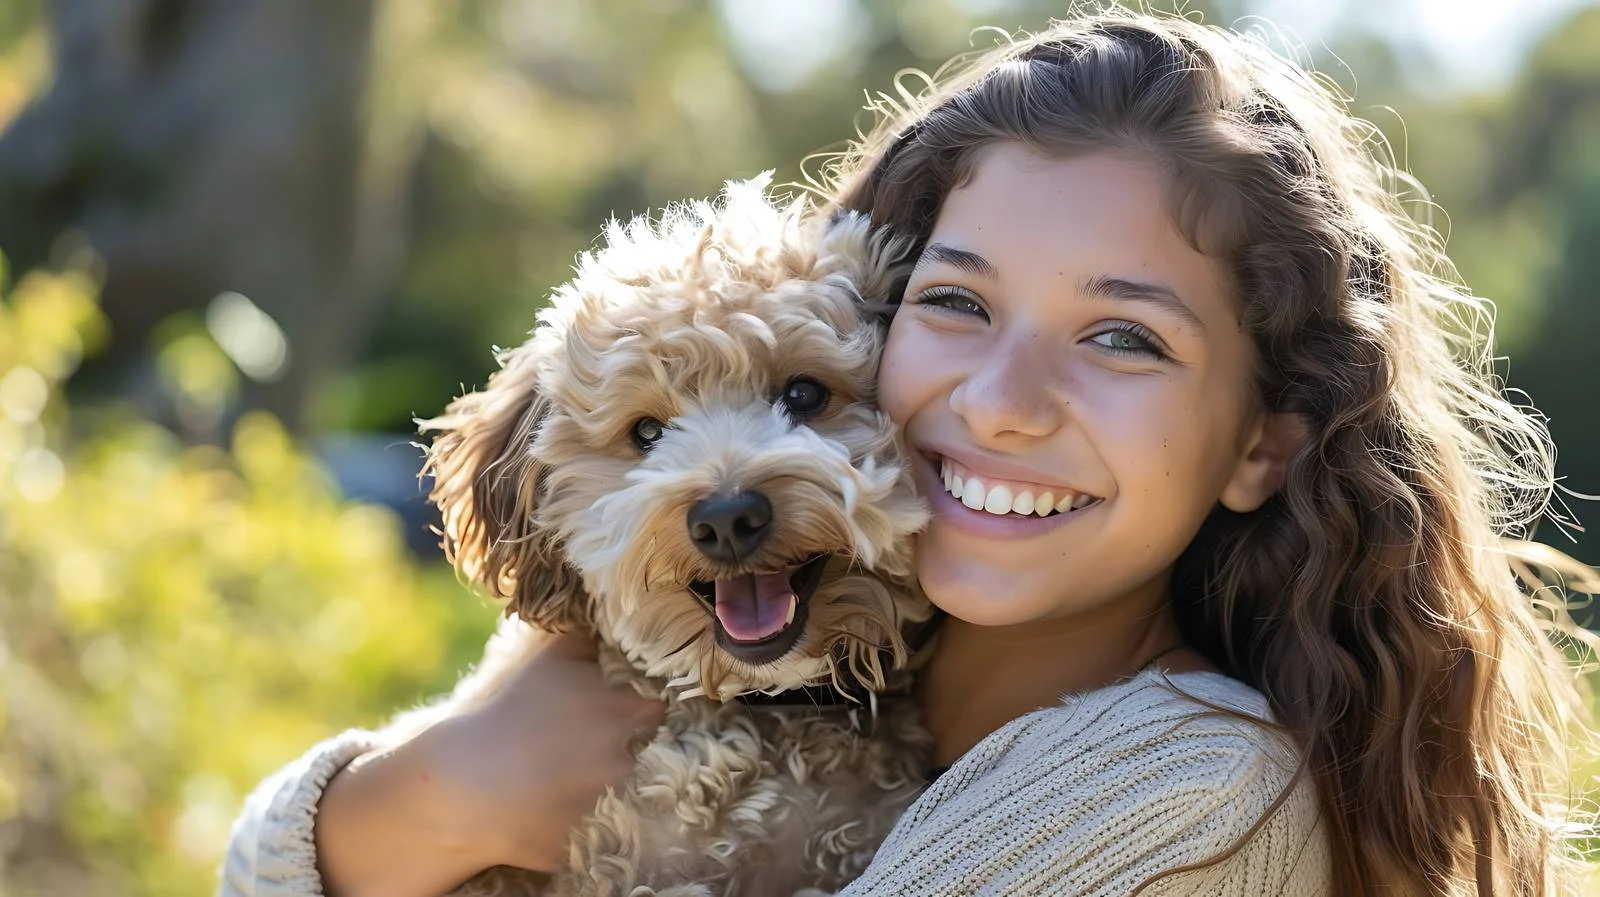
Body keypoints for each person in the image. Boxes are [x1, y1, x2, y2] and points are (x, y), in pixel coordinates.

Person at [219, 7, 1598, 896]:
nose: (999, 404)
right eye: (955, 303)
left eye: (1123, 340)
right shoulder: (791, 689)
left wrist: (431, 806)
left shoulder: (1171, 793)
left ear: (1263, 443)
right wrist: (419, 796)